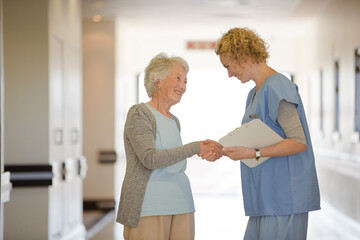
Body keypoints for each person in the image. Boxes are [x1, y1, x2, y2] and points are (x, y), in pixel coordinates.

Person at [213, 27, 321, 240]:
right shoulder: (254, 93)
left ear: (243, 57)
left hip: (284, 199)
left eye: (228, 66)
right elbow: (255, 138)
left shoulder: (278, 87)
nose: (229, 74)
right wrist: (222, 149)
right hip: (266, 198)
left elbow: (298, 142)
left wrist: (252, 153)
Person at [116, 52, 222, 240]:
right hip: (149, 206)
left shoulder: (174, 121)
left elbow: (174, 157)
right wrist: (195, 147)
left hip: (181, 203)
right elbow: (150, 159)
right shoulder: (140, 113)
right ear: (157, 80)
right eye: (178, 78)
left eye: (186, 81)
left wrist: (206, 150)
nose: (183, 86)